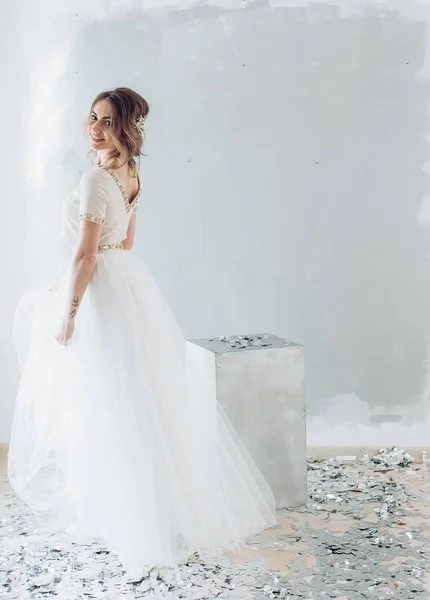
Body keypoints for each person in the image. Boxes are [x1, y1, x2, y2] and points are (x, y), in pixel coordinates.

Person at [7, 87, 276, 574]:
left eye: (107, 122)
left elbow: (86, 256)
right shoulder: (131, 172)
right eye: (92, 117)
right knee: (139, 400)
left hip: (99, 292)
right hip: (128, 284)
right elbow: (127, 240)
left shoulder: (94, 178)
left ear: (125, 127)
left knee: (107, 402)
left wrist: (69, 311)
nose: (94, 127)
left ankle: (127, 516)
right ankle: (151, 510)